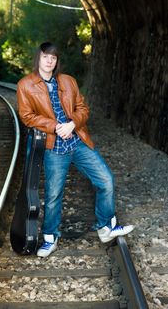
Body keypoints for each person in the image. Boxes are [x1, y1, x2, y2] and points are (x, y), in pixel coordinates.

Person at [17, 41, 134, 258]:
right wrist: (54, 126)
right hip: (54, 147)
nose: (49, 61)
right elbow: (26, 116)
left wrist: (73, 123)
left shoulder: (68, 81)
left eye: (53, 57)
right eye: (45, 57)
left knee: (106, 180)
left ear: (57, 61)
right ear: (38, 58)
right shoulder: (26, 85)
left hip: (78, 142)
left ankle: (106, 227)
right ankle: (50, 238)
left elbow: (82, 108)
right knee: (53, 195)